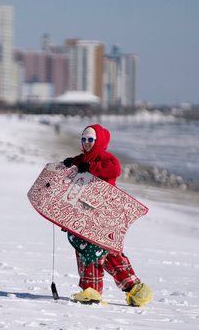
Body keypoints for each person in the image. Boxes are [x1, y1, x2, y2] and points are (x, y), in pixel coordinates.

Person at [62, 124, 153, 306]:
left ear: (98, 142)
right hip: (86, 214)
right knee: (108, 252)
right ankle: (135, 289)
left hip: (103, 214)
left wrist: (91, 167)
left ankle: (91, 291)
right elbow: (79, 164)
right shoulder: (84, 159)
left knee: (90, 251)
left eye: (90, 140)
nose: (87, 143)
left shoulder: (105, 158)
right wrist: (71, 162)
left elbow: (114, 170)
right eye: (84, 139)